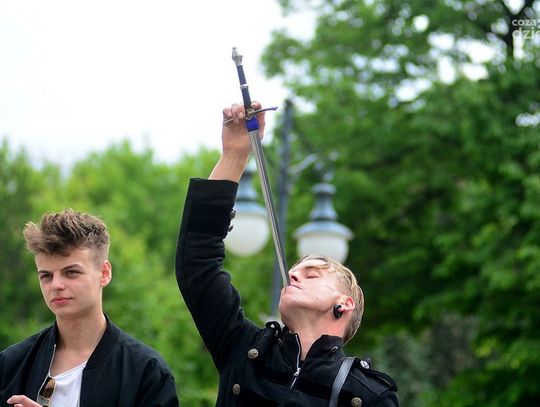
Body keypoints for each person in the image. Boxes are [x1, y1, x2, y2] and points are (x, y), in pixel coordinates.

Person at [175, 101, 400, 406]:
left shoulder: (368, 395)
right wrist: (235, 155)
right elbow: (197, 262)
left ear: (344, 304)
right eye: (294, 271)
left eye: (312, 274)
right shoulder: (244, 350)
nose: (293, 275)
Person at [0, 209, 180, 407]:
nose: (56, 285)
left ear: (104, 273)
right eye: (46, 276)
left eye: (71, 272)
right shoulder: (10, 365)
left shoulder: (147, 372)